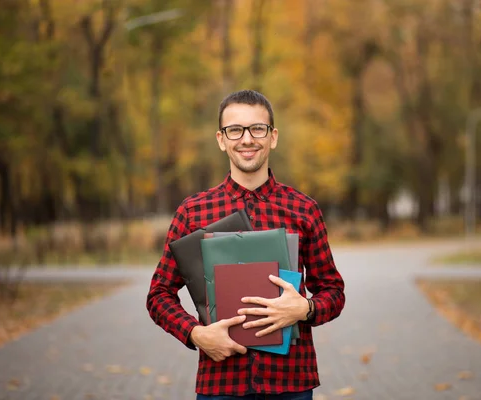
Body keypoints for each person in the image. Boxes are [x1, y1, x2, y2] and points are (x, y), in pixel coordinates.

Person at [146, 90, 345, 399]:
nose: (247, 139)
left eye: (258, 129)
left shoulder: (304, 209)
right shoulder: (192, 211)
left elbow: (333, 291)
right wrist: (196, 334)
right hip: (221, 384)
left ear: (273, 137)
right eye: (235, 130)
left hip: (290, 383)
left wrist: (306, 308)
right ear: (221, 139)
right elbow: (158, 295)